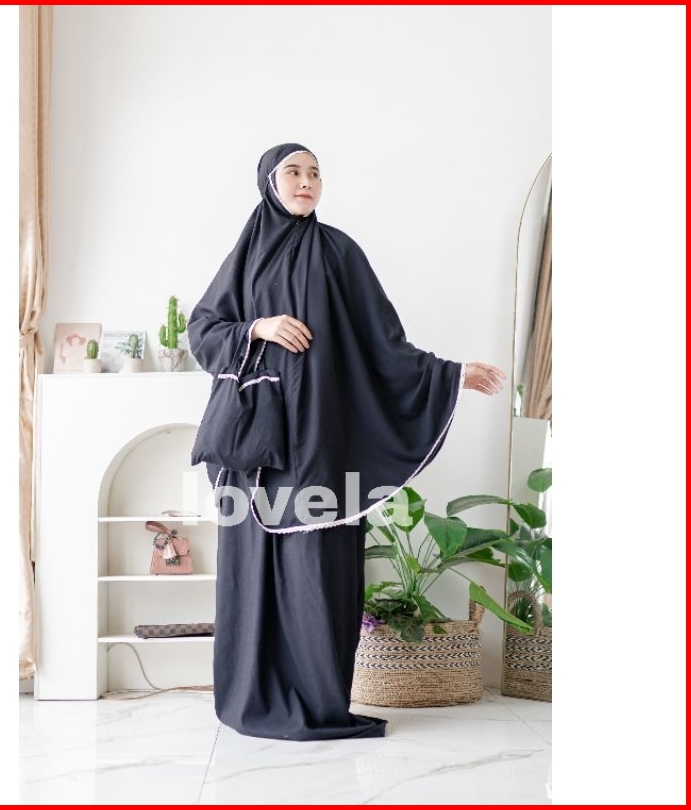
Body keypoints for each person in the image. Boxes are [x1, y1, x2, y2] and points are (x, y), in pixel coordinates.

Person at [188, 143, 505, 741]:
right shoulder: (245, 256)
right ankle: (251, 696)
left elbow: (384, 343)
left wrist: (450, 374)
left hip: (322, 442)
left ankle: (321, 700)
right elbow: (203, 331)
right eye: (293, 172)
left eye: (314, 173)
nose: (306, 181)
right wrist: (259, 327)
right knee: (252, 571)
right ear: (269, 182)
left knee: (319, 568)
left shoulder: (340, 253)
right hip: (255, 451)